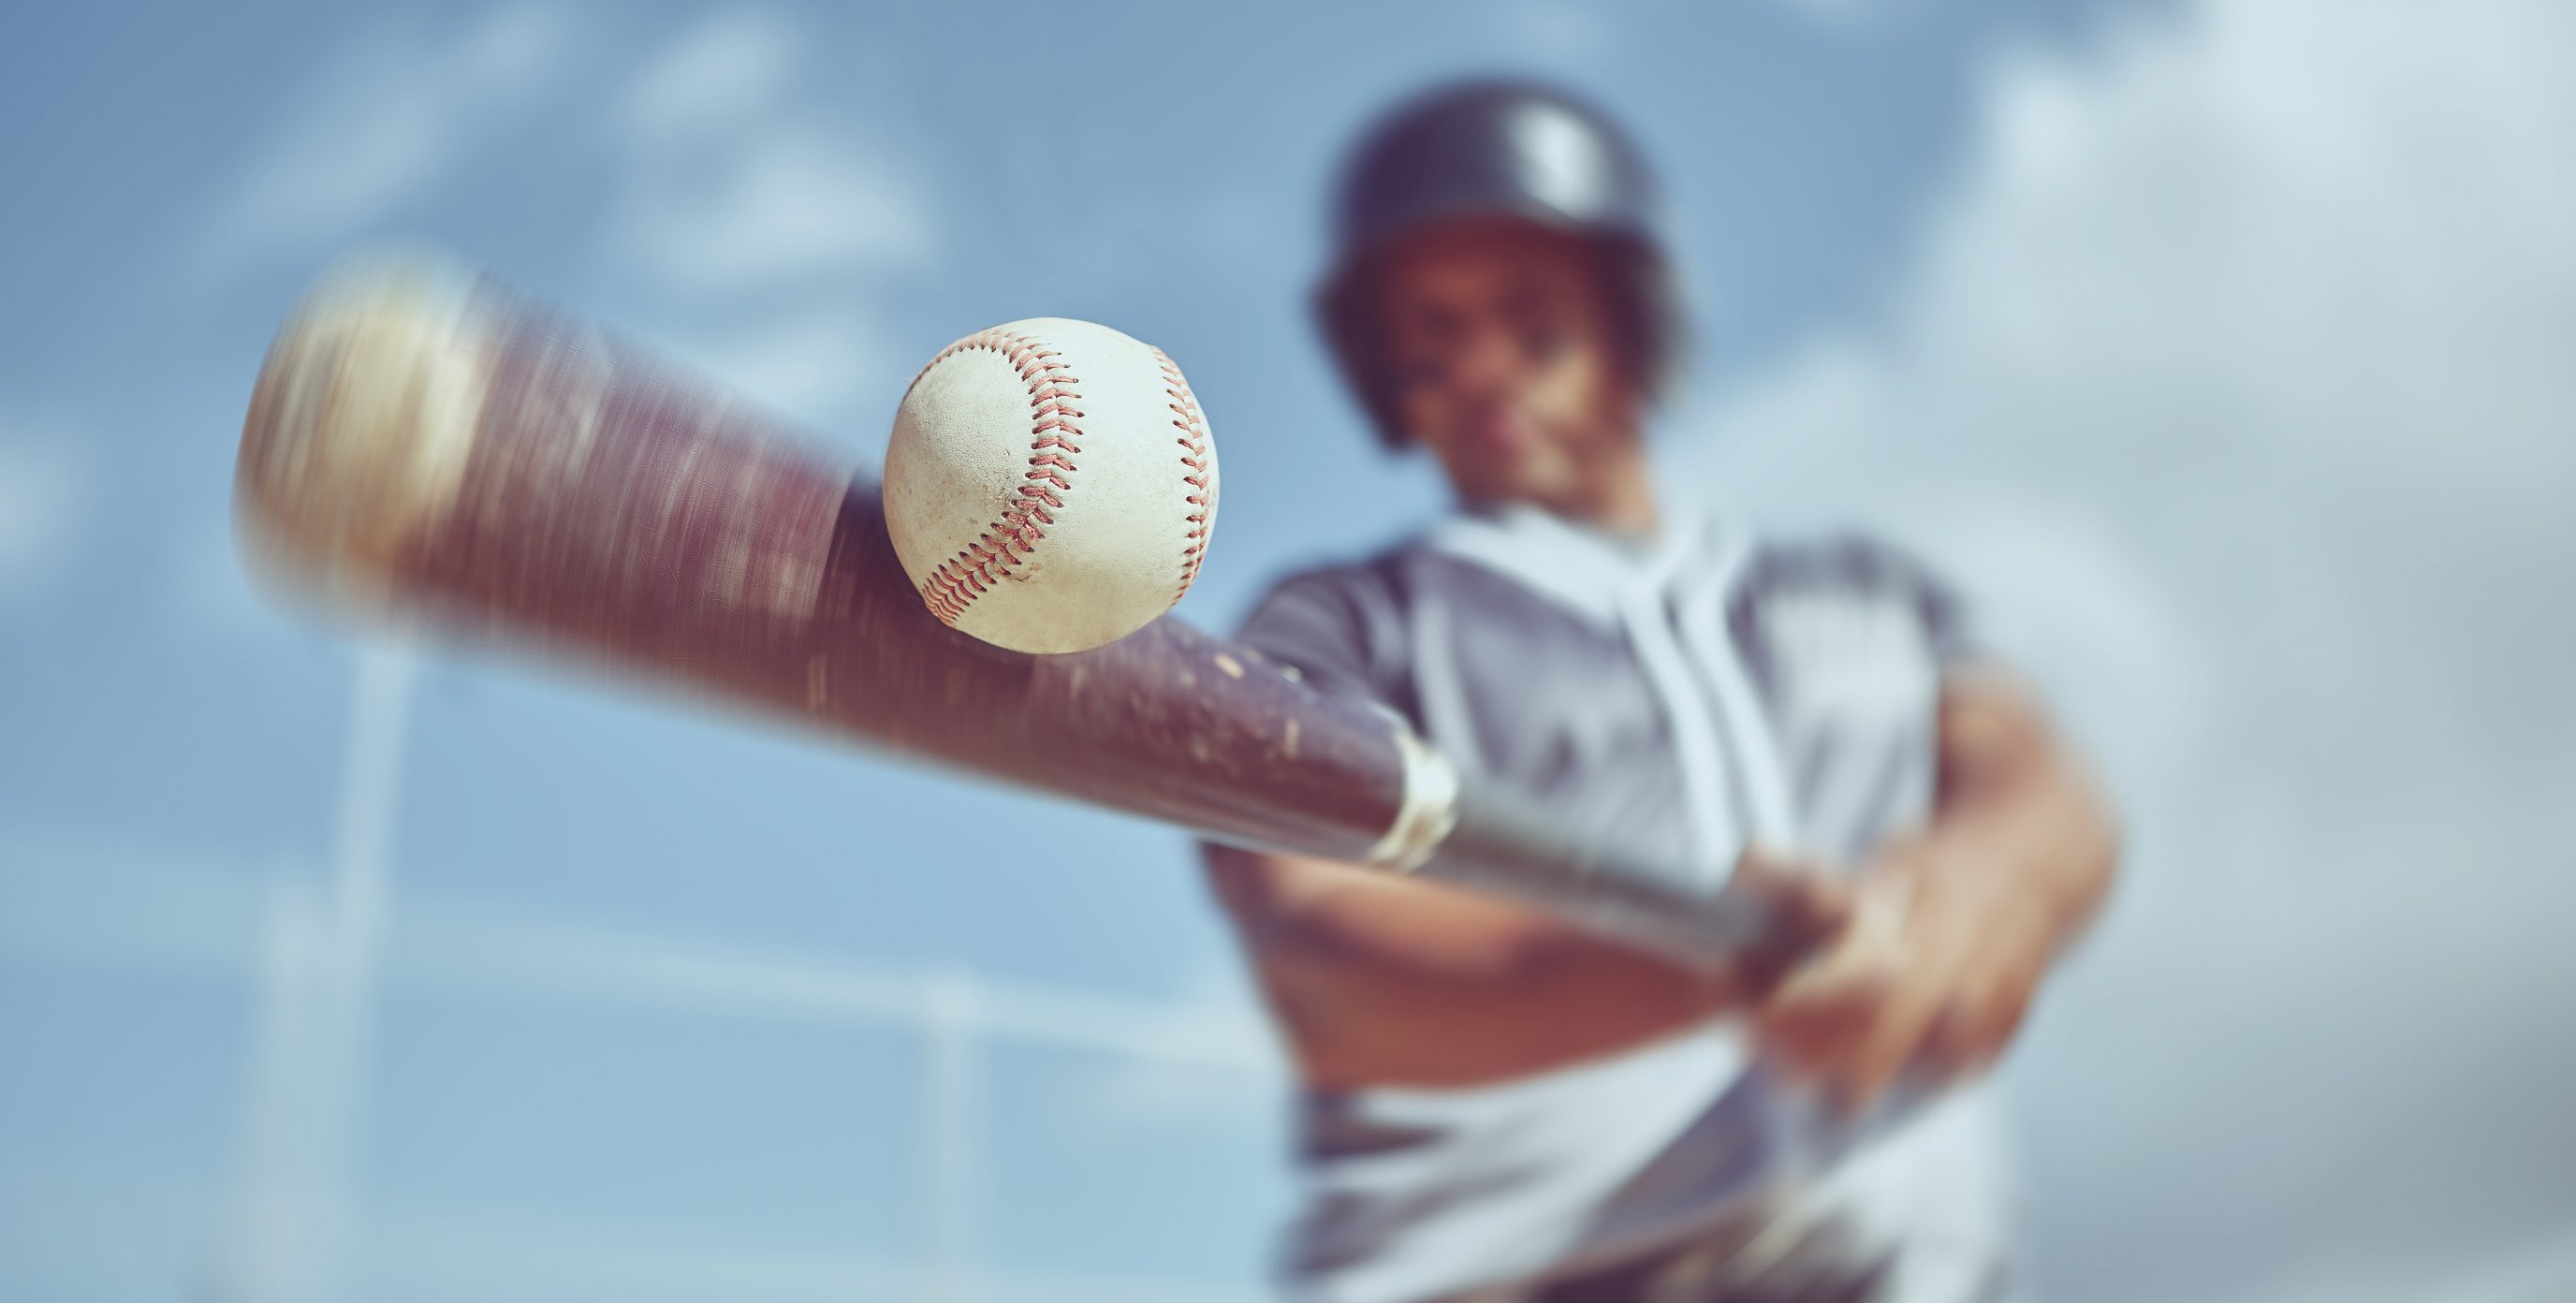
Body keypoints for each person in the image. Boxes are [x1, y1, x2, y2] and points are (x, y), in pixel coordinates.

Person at [1200, 81, 2120, 1303]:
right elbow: (1317, 952)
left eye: (1532, 323)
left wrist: (1973, 893)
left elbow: (2037, 781)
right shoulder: (1341, 623)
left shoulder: (1866, 592)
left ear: (1635, 326)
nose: (1481, 370)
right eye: (1430, 335)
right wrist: (1720, 961)